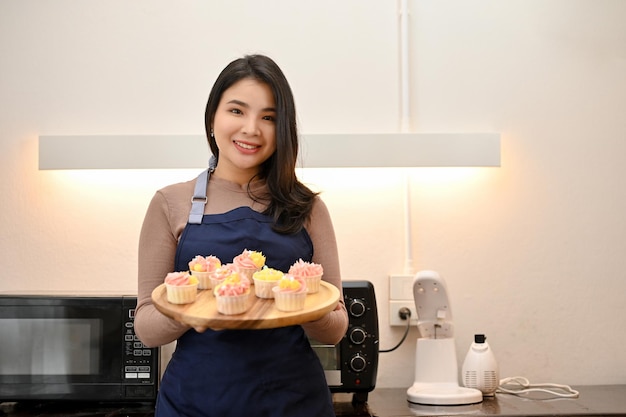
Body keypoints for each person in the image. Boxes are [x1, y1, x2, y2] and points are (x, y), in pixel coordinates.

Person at [134, 54, 349, 417]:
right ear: (212, 117)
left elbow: (335, 329)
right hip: (195, 403)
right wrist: (191, 308)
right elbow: (146, 328)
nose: (251, 128)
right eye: (237, 111)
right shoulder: (170, 203)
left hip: (295, 404)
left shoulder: (307, 207)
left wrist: (301, 301)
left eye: (268, 117)